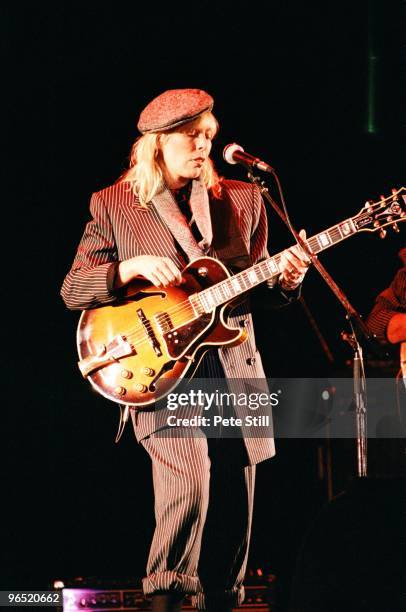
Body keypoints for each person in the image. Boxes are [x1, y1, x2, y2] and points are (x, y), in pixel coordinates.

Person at [61, 89, 310, 612]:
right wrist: (125, 270)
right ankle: (169, 599)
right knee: (190, 483)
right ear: (156, 145)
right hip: (161, 369)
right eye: (190, 137)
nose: (203, 146)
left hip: (233, 367)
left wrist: (286, 281)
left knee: (236, 508)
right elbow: (73, 289)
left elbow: (257, 292)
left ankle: (226, 597)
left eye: (208, 136)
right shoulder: (113, 204)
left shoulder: (243, 197)